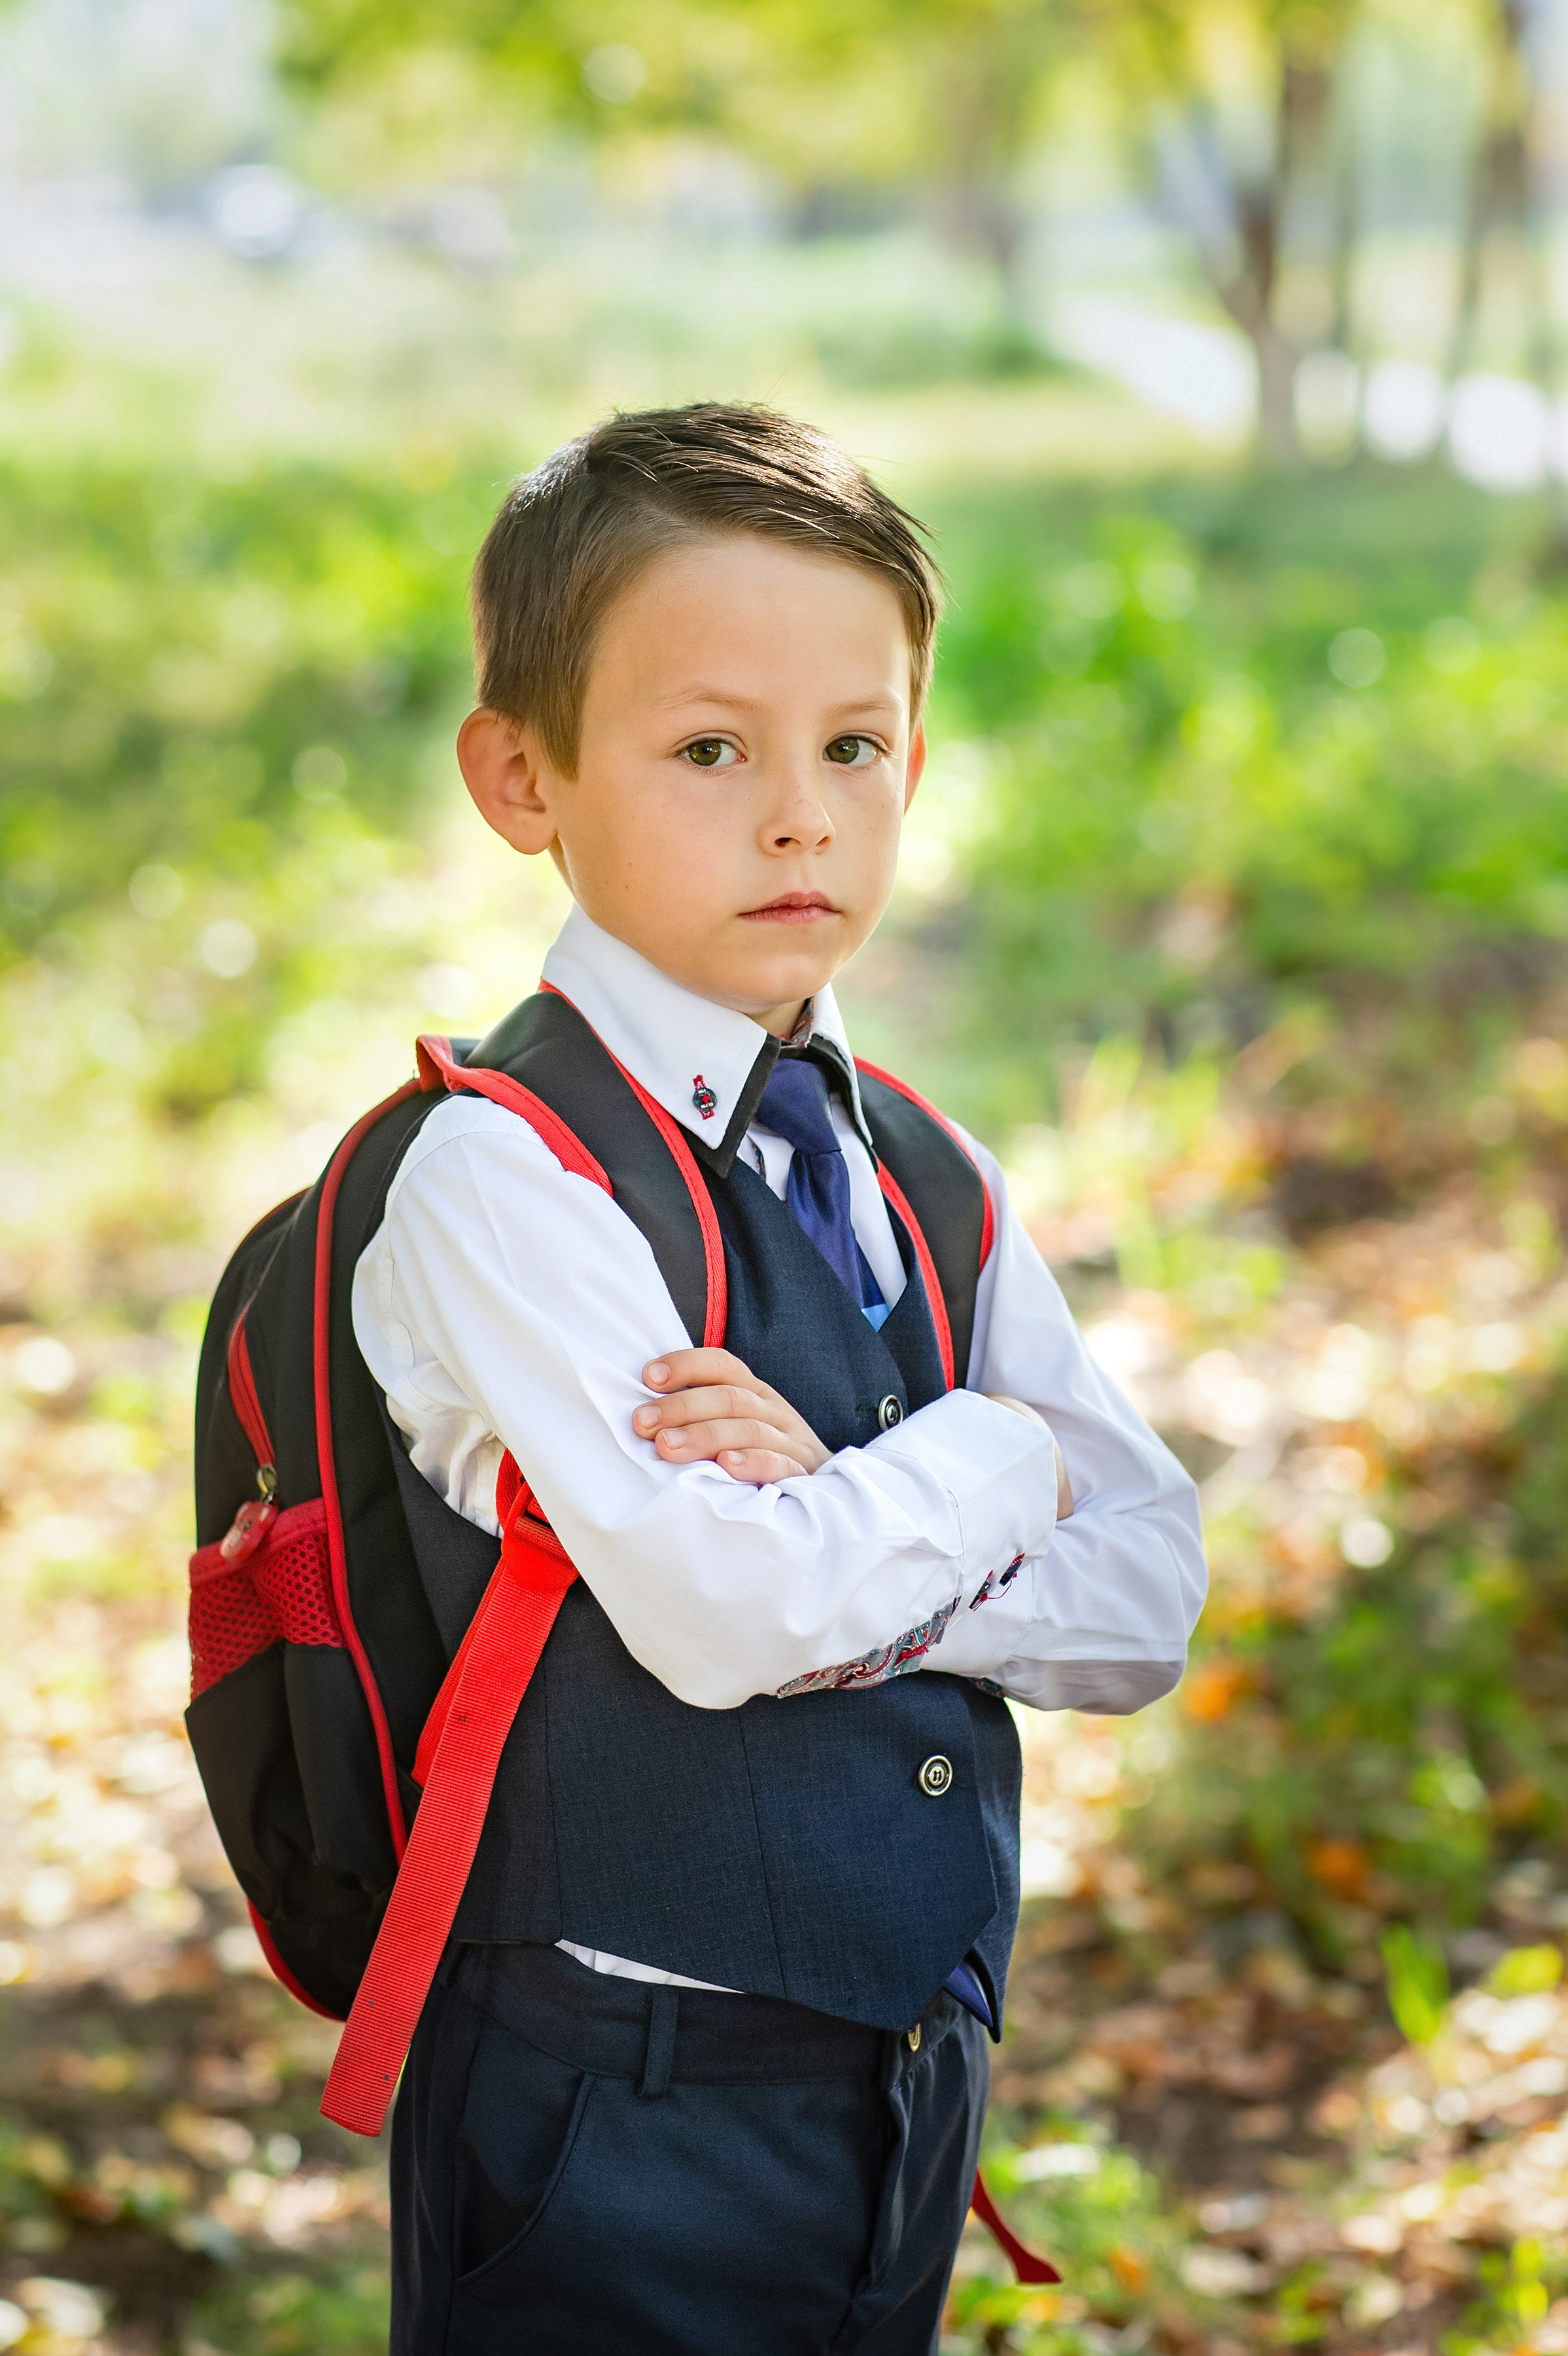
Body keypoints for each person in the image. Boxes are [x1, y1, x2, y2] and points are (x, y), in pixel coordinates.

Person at [351, 402, 1206, 2355]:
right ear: (523, 776)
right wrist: (996, 1453)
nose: (802, 816)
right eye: (711, 749)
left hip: (905, 2078)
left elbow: (1150, 1597)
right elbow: (732, 1616)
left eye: (855, 746)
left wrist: (847, 1507)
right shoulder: (504, 1173)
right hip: (611, 2108)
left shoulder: (922, 1169)